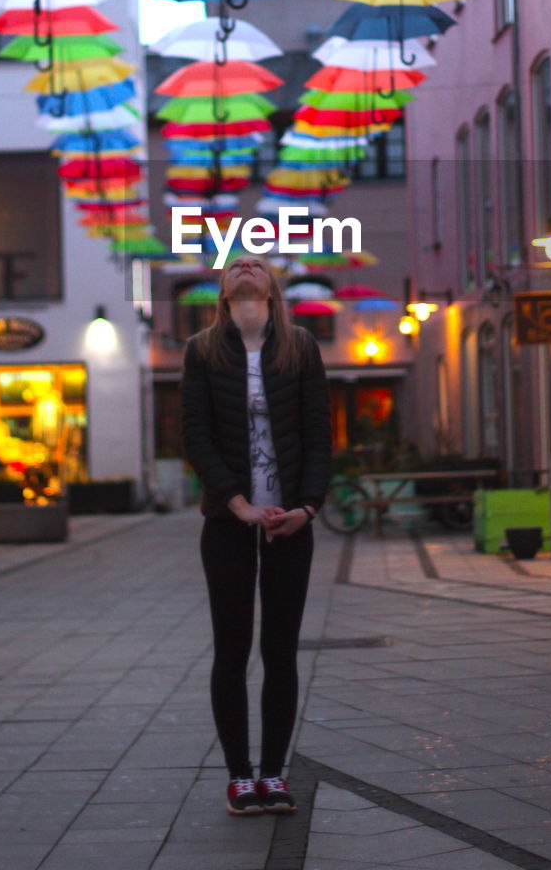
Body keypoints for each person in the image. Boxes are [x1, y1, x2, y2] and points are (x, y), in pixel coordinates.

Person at [181, 255, 332, 817]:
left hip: (291, 524)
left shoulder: (300, 348)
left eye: (256, 263)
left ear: (271, 285)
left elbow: (319, 434)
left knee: (281, 652)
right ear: (224, 288)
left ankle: (274, 774)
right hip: (227, 525)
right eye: (234, 265)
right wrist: (237, 502)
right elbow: (195, 435)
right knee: (232, 649)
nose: (245, 268)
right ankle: (240, 777)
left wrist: (306, 506)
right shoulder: (201, 350)